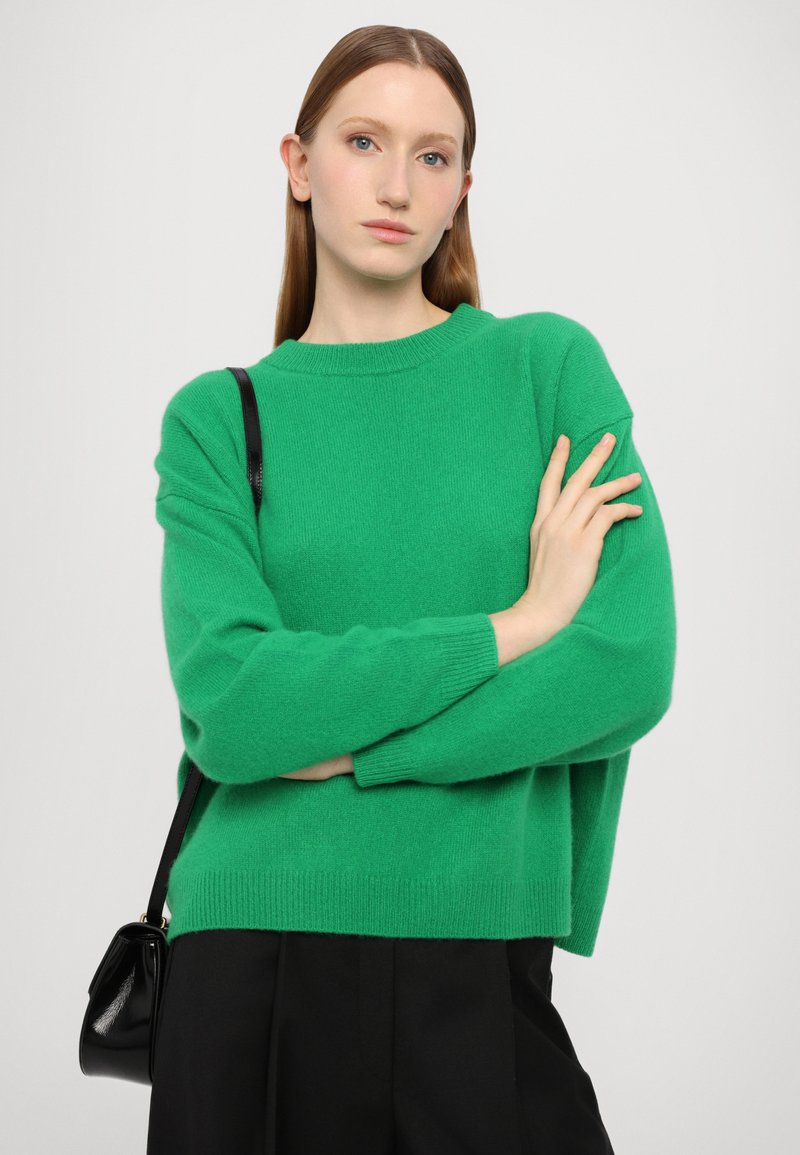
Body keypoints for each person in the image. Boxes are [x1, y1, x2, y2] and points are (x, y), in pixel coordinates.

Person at [146, 23, 676, 1155]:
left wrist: (354, 752)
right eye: (363, 142)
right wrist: (519, 624)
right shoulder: (217, 418)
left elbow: (626, 664)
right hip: (250, 956)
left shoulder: (545, 370)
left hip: (480, 959)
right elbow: (234, 707)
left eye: (433, 156)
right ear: (298, 164)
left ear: (462, 190)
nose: (396, 184)